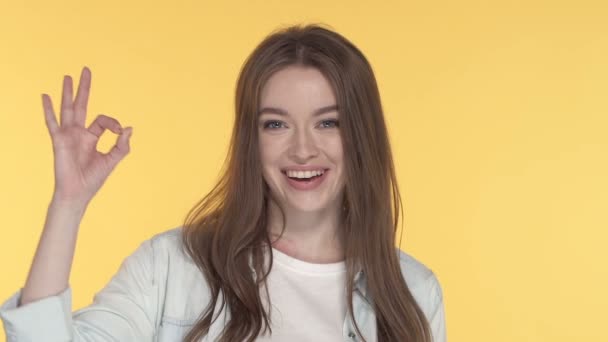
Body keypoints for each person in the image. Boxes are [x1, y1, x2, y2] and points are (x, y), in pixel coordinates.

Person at [0, 24, 446, 342]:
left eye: (328, 123)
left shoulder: (414, 292)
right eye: (276, 125)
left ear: (362, 134)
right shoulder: (172, 266)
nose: (303, 150)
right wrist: (68, 204)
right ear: (250, 139)